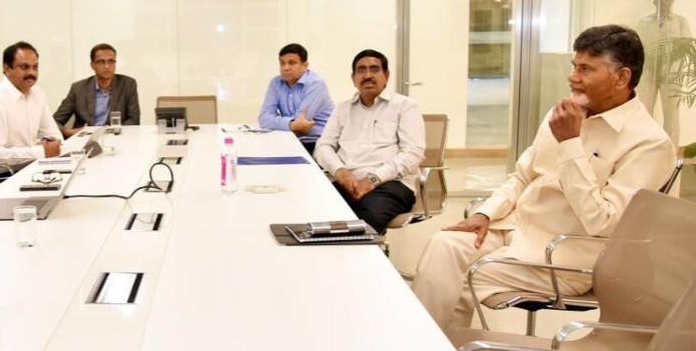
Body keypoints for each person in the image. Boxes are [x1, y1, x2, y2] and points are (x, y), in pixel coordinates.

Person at [411, 25, 675, 330]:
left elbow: (603, 223)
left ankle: (428, 341)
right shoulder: (564, 113)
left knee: (457, 277)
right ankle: (427, 341)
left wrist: (570, 143)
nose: (573, 77)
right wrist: (485, 213)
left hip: (564, 257)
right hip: (514, 230)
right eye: (575, 66)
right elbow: (523, 175)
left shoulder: (649, 143)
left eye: (587, 69)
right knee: (444, 244)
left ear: (622, 77)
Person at [313, 49, 425, 234]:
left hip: (390, 184)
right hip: (346, 182)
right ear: (353, 77)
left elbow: (413, 153)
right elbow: (323, 146)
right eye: (361, 70)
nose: (367, 75)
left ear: (386, 75)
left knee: (365, 223)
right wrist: (341, 172)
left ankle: (366, 262)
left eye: (374, 69)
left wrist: (373, 179)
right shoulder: (343, 109)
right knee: (314, 214)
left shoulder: (404, 106)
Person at [0, 41, 64, 170]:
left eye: (35, 67)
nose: (31, 73)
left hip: (37, 167)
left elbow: (53, 134)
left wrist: (53, 144)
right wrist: (40, 151)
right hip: (6, 176)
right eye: (24, 67)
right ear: (7, 68)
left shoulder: (38, 93)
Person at [635, 0, 691, 144]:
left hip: (671, 74)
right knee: (643, 111)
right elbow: (638, 46)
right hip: (648, 72)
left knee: (671, 116)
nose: (663, 2)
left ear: (672, 2)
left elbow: (686, 48)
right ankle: (643, 146)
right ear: (654, 1)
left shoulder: (681, 22)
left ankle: (671, 151)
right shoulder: (644, 22)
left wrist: (676, 69)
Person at [258, 43, 335, 154]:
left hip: (317, 142)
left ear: (305, 65)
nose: (285, 68)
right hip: (291, 138)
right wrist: (291, 125)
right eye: (282, 63)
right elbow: (264, 118)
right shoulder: (276, 83)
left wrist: (284, 123)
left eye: (292, 63)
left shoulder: (316, 84)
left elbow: (302, 122)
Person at [52, 43, 141, 137]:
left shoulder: (128, 84)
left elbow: (134, 120)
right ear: (92, 65)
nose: (107, 66)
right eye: (101, 62)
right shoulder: (78, 89)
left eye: (111, 61)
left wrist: (108, 132)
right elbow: (54, 122)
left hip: (117, 138)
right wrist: (68, 132)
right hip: (85, 140)